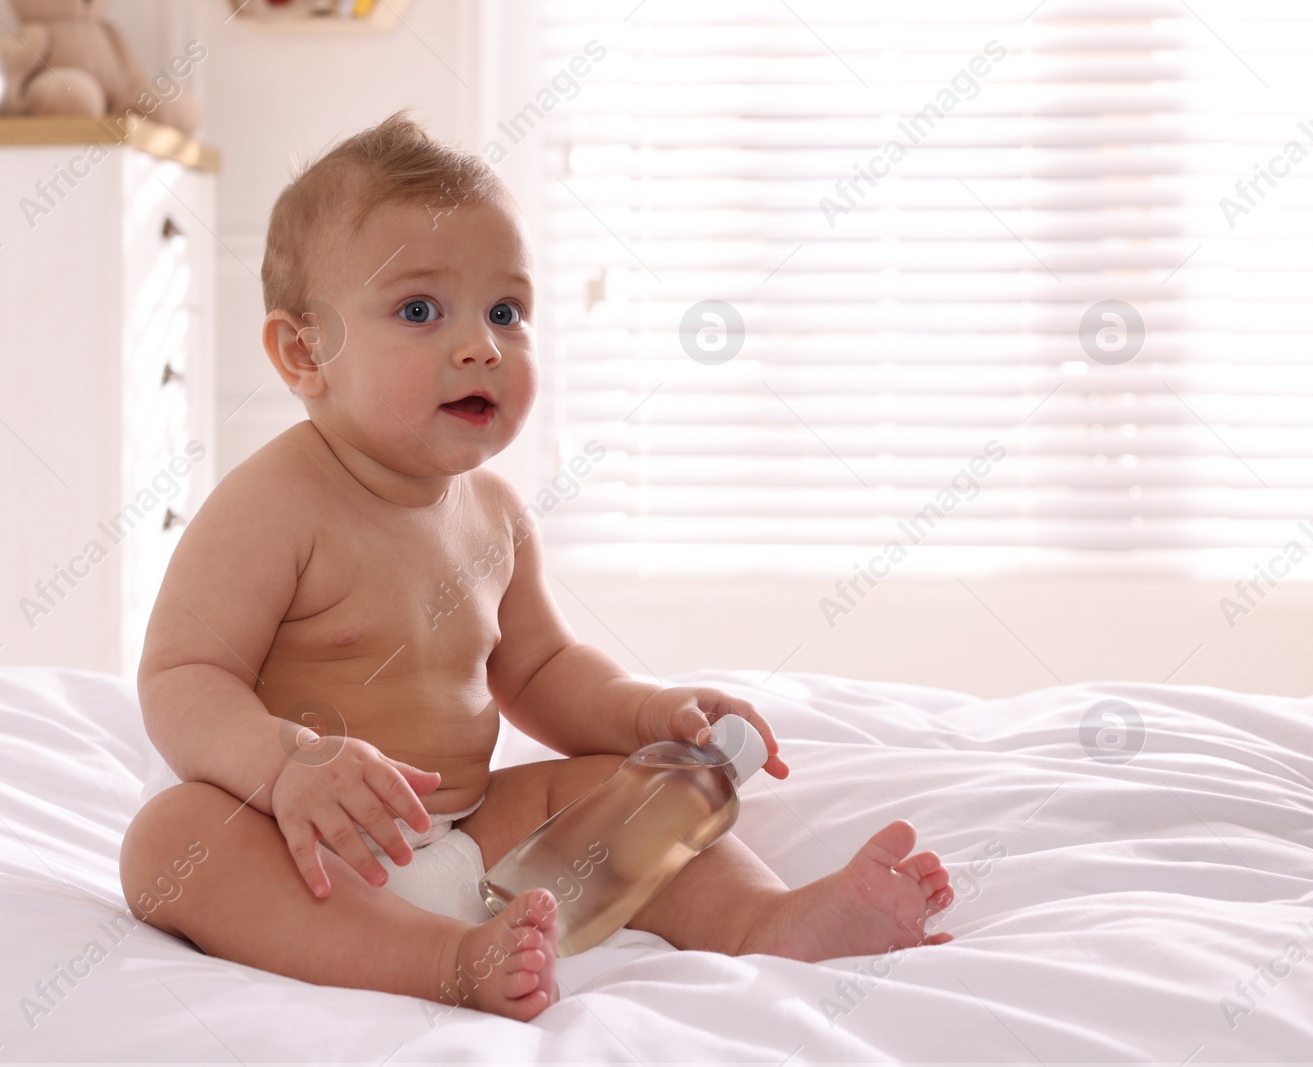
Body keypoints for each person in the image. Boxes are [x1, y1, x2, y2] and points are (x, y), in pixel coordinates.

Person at [120, 111, 955, 1022]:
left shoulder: (496, 514)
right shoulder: (273, 503)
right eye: (419, 310)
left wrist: (647, 713)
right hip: (307, 843)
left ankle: (767, 922)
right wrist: (288, 767)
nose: (480, 343)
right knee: (171, 842)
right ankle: (444, 961)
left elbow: (544, 670)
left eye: (506, 311)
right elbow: (182, 675)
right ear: (306, 351)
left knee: (617, 781)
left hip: (476, 836)